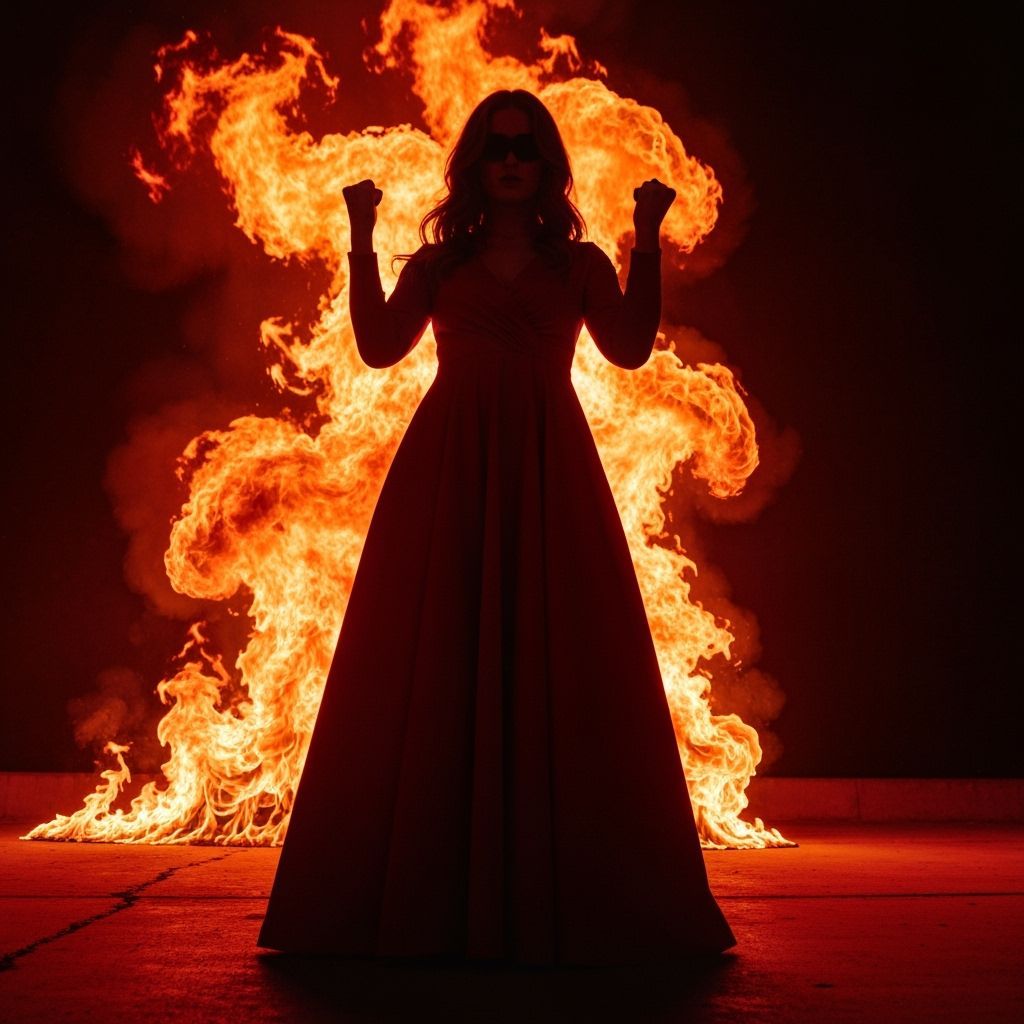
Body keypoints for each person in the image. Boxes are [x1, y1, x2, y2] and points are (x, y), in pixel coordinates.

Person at [257, 88, 736, 965]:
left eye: (525, 148)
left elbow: (629, 347)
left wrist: (645, 238)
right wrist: (359, 236)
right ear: (474, 165)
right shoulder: (440, 264)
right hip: (452, 463)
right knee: (440, 650)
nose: (510, 161)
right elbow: (379, 345)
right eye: (495, 147)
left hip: (549, 464)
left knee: (565, 657)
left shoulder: (580, 262)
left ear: (547, 166)